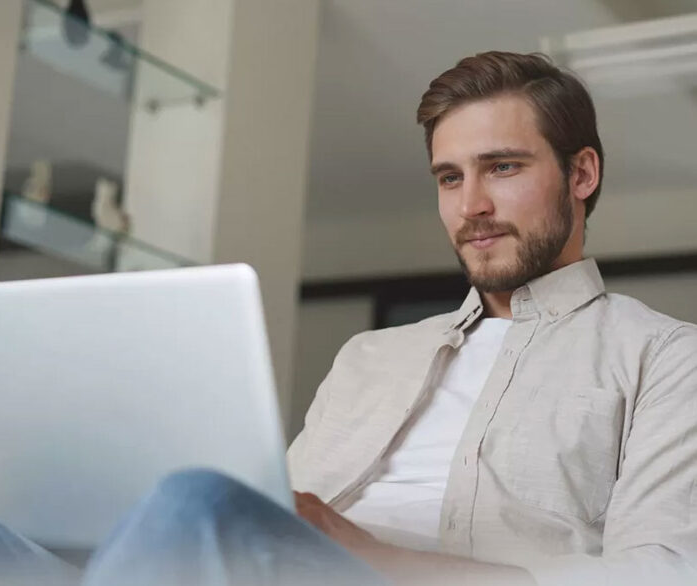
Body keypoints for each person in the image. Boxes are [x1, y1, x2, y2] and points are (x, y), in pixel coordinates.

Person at [288, 51, 697, 585]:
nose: (471, 205)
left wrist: (370, 557)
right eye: (450, 178)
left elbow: (665, 570)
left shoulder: (663, 357)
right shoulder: (366, 357)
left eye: (502, 167)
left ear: (582, 173)